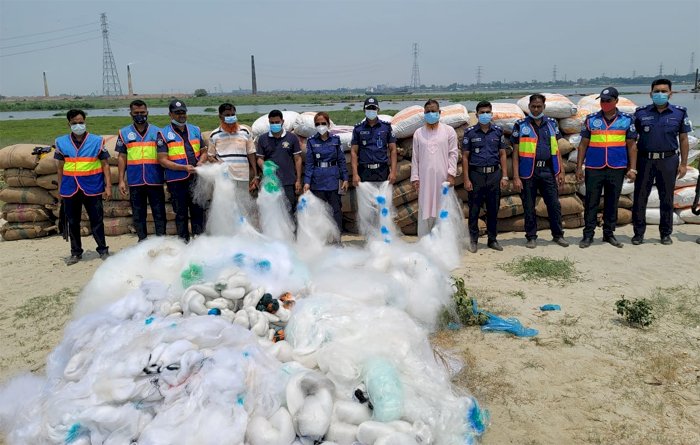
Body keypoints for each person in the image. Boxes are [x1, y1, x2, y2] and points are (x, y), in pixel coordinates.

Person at [632, 79, 692, 245]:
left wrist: (684, 163)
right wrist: (632, 165)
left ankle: (665, 234)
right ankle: (638, 233)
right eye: (657, 91)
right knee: (640, 197)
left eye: (664, 91)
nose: (660, 94)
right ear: (651, 93)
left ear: (670, 93)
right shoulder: (641, 113)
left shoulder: (679, 113)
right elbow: (631, 141)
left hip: (668, 160)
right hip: (645, 160)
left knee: (666, 198)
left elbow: (684, 139)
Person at [576, 87, 638, 248]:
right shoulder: (591, 119)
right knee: (591, 202)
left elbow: (632, 146)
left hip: (616, 167)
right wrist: (578, 167)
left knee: (612, 202)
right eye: (602, 101)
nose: (605, 104)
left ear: (616, 101)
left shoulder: (626, 120)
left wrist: (632, 168)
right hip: (594, 167)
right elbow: (583, 145)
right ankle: (588, 235)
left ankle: (608, 234)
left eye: (608, 101)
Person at [511, 94, 569, 248]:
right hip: (527, 172)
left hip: (548, 171)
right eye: (533, 106)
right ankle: (531, 237)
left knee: (554, 204)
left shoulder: (551, 124)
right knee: (528, 205)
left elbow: (557, 149)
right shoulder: (520, 124)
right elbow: (515, 153)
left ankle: (558, 235)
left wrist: (561, 171)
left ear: (544, 107)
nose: (536, 109)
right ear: (529, 107)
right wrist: (515, 176)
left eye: (539, 106)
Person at [54, 109, 111, 264]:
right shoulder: (61, 142)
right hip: (70, 187)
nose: (78, 125)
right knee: (72, 222)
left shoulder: (97, 141)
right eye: (74, 123)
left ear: (85, 122)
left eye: (81, 122)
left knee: (97, 220)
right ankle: (76, 252)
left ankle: (103, 250)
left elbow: (105, 165)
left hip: (92, 186)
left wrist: (108, 186)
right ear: (69, 124)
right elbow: (59, 168)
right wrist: (60, 189)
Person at [116, 99, 167, 241]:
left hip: (155, 178)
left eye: (142, 112)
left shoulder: (158, 132)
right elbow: (121, 157)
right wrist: (121, 180)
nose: (140, 115)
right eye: (136, 113)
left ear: (147, 113)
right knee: (138, 213)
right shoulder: (124, 133)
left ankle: (160, 240)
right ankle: (142, 240)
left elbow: (165, 156)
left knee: (159, 212)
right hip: (135, 180)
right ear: (131, 114)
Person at [157, 99, 207, 242]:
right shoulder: (163, 134)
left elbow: (204, 151)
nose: (181, 115)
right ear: (170, 115)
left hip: (196, 178)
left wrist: (201, 162)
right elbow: (162, 160)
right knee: (181, 213)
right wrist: (183, 168)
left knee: (198, 210)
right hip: (176, 180)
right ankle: (183, 242)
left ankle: (199, 240)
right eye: (177, 113)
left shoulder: (195, 130)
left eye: (183, 112)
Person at [462, 101, 509, 252]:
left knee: (493, 208)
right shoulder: (470, 133)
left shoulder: (498, 131)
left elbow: (502, 154)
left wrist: (505, 176)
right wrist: (466, 179)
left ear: (491, 114)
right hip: (476, 175)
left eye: (487, 112)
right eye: (482, 113)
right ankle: (473, 240)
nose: (485, 115)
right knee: (474, 209)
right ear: (476, 115)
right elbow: (465, 157)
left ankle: (492, 239)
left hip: (494, 174)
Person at [410, 99, 459, 237]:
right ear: (424, 114)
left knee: (443, 209)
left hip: (444, 178)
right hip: (425, 180)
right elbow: (415, 157)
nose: (431, 113)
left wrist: (451, 174)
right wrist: (415, 177)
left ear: (439, 112)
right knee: (425, 209)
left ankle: (444, 241)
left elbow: (453, 153)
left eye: (433, 111)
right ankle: (425, 241)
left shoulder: (449, 131)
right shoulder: (418, 133)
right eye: (428, 111)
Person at [207, 103, 259, 220]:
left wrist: (255, 175)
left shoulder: (245, 131)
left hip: (242, 177)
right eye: (227, 115)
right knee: (226, 208)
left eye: (233, 114)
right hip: (224, 178)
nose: (231, 117)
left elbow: (251, 153)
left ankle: (243, 234)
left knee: (243, 207)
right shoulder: (214, 135)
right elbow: (210, 156)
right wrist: (219, 164)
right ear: (220, 117)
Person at [303, 112, 349, 233]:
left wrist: (345, 178)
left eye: (323, 123)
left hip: (333, 179)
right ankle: (321, 238)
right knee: (319, 210)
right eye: (318, 124)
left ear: (328, 124)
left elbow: (341, 161)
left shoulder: (336, 140)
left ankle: (337, 238)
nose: (321, 126)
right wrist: (307, 182)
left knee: (336, 210)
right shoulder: (311, 141)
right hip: (317, 181)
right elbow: (309, 164)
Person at [256, 109, 302, 219]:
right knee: (272, 211)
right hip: (270, 182)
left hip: (288, 181)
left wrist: (298, 180)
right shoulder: (263, 139)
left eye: (277, 122)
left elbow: (298, 159)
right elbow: (259, 158)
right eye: (272, 122)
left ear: (282, 121)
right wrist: (265, 167)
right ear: (269, 122)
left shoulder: (291, 138)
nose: (275, 124)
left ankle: (291, 235)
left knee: (289, 210)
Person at [350, 97, 398, 186]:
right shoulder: (358, 129)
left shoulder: (386, 127)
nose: (371, 110)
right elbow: (353, 152)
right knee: (366, 199)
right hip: (364, 171)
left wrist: (393, 172)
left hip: (382, 171)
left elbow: (393, 150)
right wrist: (355, 174)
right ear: (364, 110)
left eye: (373, 108)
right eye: (368, 108)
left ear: (378, 110)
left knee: (382, 199)